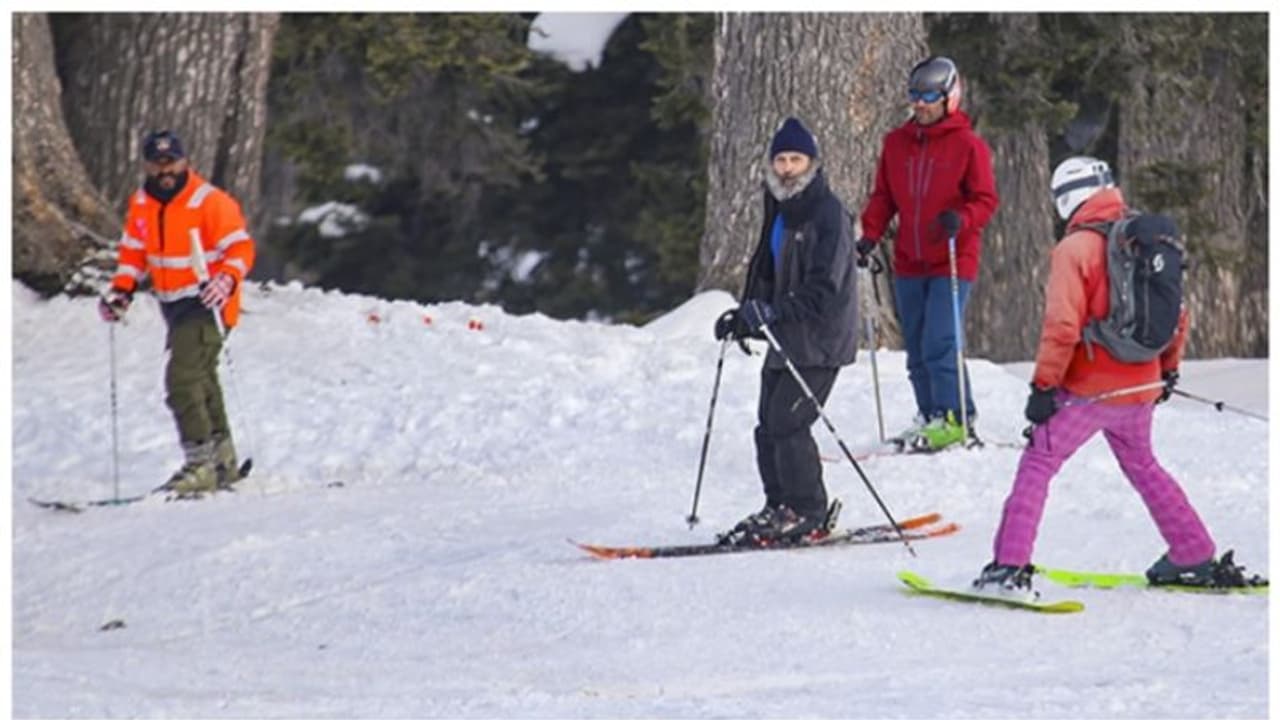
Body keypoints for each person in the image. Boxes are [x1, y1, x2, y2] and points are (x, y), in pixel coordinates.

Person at [973, 156, 1253, 592]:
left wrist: (1044, 386)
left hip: (1089, 390)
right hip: (1141, 385)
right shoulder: (1145, 240)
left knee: (1038, 464)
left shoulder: (1075, 249)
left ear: (1069, 197)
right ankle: (1193, 553)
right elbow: (1177, 312)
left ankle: (1008, 566)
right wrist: (1168, 368)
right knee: (1144, 465)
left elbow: (1062, 327)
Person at [712, 117, 858, 546]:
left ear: (812, 164)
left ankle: (809, 510)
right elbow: (769, 272)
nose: (788, 167)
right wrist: (745, 315)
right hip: (786, 337)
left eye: (796, 159)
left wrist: (772, 312)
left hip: (820, 338)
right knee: (766, 425)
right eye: (782, 159)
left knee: (789, 423)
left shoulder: (827, 213)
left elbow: (825, 288)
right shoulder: (778, 207)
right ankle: (779, 505)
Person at [98, 129, 256, 496]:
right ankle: (222, 461)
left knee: (182, 381)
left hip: (208, 303)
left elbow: (240, 247)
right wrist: (122, 292)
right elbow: (134, 253)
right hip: (173, 304)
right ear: (147, 165)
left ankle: (199, 464)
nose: (165, 170)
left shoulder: (209, 201)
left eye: (172, 162)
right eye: (158, 163)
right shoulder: (141, 203)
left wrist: (227, 279)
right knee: (201, 379)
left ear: (185, 161)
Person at [856, 56, 999, 451]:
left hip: (952, 256)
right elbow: (884, 197)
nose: (920, 104)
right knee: (917, 345)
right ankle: (930, 414)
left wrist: (962, 218)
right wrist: (870, 234)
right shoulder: (896, 143)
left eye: (929, 97)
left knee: (940, 339)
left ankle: (956, 417)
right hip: (909, 260)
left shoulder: (968, 145)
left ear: (949, 97)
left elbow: (986, 199)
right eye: (915, 96)